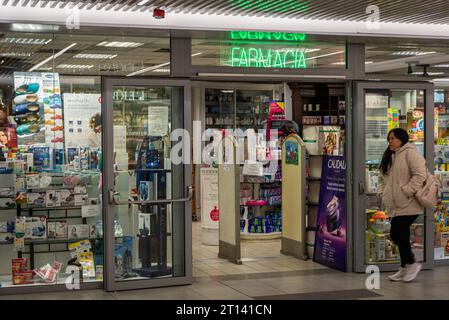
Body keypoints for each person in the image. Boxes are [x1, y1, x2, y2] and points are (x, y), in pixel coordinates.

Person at [378, 127, 427, 282]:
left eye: (393, 138)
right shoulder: (389, 156)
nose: (390, 141)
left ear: (402, 139)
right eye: (389, 139)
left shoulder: (410, 153)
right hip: (395, 204)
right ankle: (405, 266)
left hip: (409, 203)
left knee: (396, 233)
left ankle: (412, 263)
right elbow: (381, 178)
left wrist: (407, 191)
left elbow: (420, 174)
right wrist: (383, 192)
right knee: (402, 235)